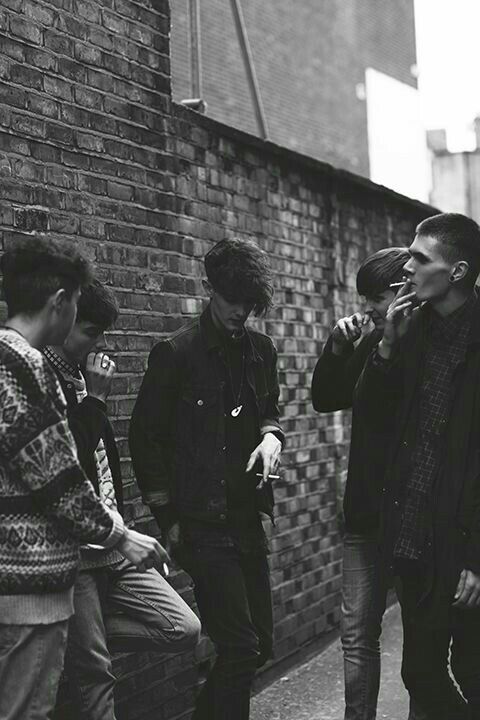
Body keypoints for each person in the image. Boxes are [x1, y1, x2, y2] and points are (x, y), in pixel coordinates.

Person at [0, 238, 165, 720]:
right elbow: (59, 481)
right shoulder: (25, 366)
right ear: (60, 302)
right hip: (29, 584)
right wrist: (123, 536)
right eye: (75, 302)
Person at [129, 238, 285, 720]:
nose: (241, 312)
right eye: (231, 299)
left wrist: (271, 436)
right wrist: (167, 518)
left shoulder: (261, 350)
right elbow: (145, 439)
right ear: (209, 288)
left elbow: (270, 410)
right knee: (240, 647)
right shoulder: (176, 354)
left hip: (247, 518)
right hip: (202, 525)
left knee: (258, 645)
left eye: (249, 303)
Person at [44, 279, 201, 720]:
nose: (98, 345)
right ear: (63, 323)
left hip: (113, 546)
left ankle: (71, 638)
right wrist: (94, 399)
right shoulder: (44, 376)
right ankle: (79, 643)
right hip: (75, 554)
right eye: (90, 333)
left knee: (182, 627)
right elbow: (63, 464)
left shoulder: (78, 374)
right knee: (96, 677)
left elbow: (103, 467)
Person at [356, 213, 480, 719]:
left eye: (419, 258)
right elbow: (373, 421)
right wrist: (386, 345)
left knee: (474, 669)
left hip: (464, 537)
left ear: (457, 271)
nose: (406, 267)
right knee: (419, 671)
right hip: (413, 535)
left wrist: (476, 554)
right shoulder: (408, 326)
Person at [312, 247, 426, 720]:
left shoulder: (428, 342)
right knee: (357, 633)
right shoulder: (369, 340)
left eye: (376, 297)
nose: (368, 309)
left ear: (403, 292)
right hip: (364, 511)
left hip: (415, 514)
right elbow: (326, 399)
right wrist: (337, 349)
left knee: (422, 638)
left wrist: (386, 348)